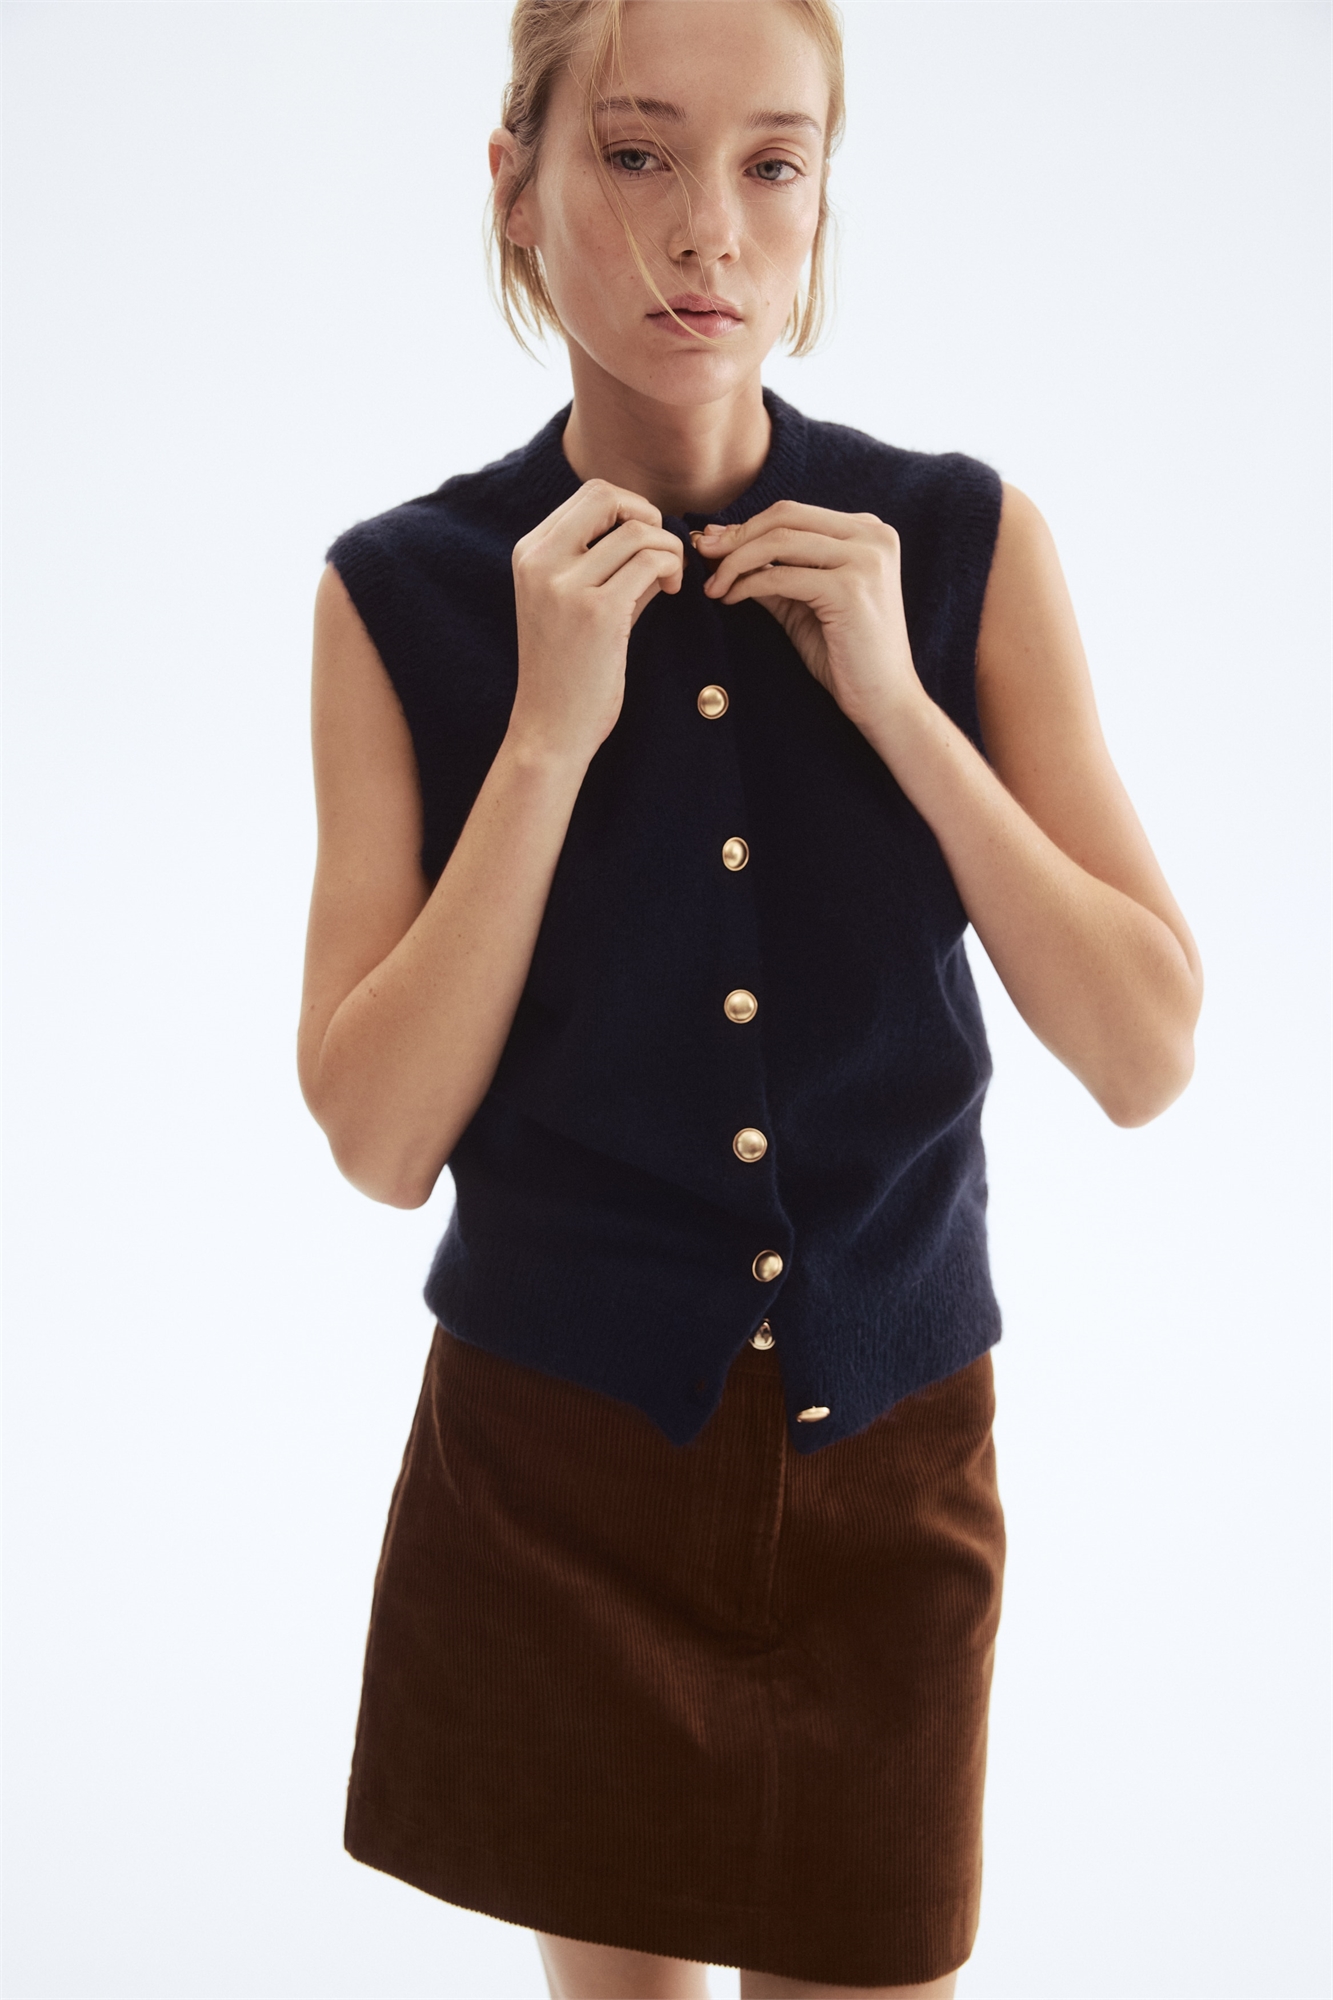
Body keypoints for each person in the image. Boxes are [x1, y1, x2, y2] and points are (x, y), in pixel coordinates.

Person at [297, 1, 1202, 1994]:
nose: (709, 227)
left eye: (773, 163)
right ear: (517, 184)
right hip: (559, 1461)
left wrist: (899, 705)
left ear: (819, 195)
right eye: (635, 153)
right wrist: (544, 739)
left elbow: (1146, 1048)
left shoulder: (958, 546)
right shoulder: (404, 593)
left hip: (892, 1456)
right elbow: (374, 1135)